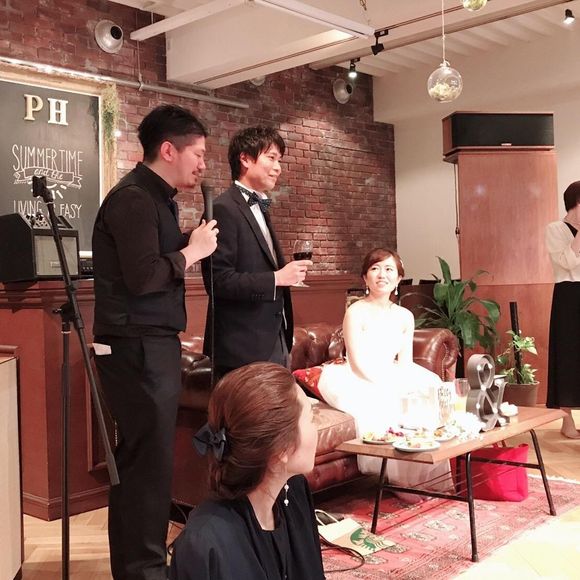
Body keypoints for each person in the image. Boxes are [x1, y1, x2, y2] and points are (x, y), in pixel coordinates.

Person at [92, 104, 218, 579]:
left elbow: (148, 261)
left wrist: (187, 242)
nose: (202, 164)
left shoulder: (157, 199)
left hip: (149, 344)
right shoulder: (134, 199)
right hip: (136, 346)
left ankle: (137, 568)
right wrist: (192, 252)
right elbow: (143, 277)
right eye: (198, 153)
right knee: (146, 465)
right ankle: (144, 570)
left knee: (143, 463)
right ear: (168, 150)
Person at [169, 362, 325, 580]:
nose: (316, 427)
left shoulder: (294, 492)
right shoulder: (205, 545)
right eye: (310, 419)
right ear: (281, 450)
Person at [317, 248, 449, 497]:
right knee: (387, 403)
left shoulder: (405, 316)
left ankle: (427, 476)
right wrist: (386, 385)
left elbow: (405, 363)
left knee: (430, 390)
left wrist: (408, 385)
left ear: (398, 279)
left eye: (389, 269)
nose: (382, 275)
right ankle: (401, 482)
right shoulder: (355, 312)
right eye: (375, 269)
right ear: (365, 278)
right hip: (356, 376)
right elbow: (356, 362)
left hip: (391, 371)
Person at [201, 126, 312, 380]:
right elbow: (218, 281)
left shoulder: (260, 207)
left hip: (274, 337)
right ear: (245, 159)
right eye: (271, 158)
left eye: (279, 160)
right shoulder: (223, 209)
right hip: (242, 347)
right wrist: (276, 278)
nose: (278, 168)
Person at [545, 181, 580, 439]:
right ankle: (567, 421)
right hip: (568, 296)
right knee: (568, 355)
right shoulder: (555, 229)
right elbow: (567, 262)